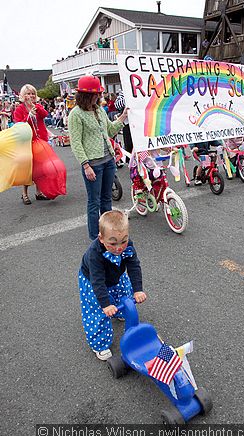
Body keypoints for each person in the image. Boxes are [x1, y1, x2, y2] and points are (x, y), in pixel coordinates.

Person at [78, 210, 147, 360]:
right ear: (101, 238)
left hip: (116, 273)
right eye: (113, 242)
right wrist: (106, 304)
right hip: (93, 281)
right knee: (98, 310)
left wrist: (138, 290)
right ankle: (99, 343)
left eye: (123, 241)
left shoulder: (128, 246)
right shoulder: (94, 254)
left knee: (123, 292)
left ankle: (120, 311)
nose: (119, 247)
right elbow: (97, 282)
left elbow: (134, 266)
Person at [68, 75, 128, 240]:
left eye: (98, 94)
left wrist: (123, 117)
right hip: (93, 164)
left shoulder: (100, 110)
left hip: (108, 161)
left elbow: (109, 130)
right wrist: (86, 165)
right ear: (84, 95)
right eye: (93, 94)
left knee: (106, 199)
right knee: (94, 202)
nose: (97, 97)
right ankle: (95, 237)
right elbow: (76, 143)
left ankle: (107, 231)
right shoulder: (76, 114)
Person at [14, 84, 50, 204]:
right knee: (28, 169)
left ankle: (38, 192)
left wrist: (37, 108)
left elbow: (45, 114)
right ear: (23, 95)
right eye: (28, 93)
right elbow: (19, 125)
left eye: (32, 93)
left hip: (41, 141)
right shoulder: (19, 109)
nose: (31, 96)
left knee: (40, 168)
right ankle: (24, 194)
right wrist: (30, 116)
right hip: (27, 142)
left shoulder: (37, 106)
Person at [115, 91, 133, 161]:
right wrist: (129, 97)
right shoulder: (123, 93)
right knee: (128, 144)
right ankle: (130, 161)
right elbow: (117, 105)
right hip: (127, 123)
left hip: (139, 122)